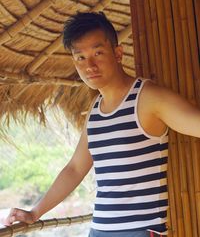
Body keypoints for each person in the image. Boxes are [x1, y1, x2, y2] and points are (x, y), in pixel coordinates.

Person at [5, 12, 200, 237]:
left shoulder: (148, 98)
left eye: (98, 53)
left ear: (117, 53)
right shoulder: (95, 110)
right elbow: (75, 169)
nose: (90, 65)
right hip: (99, 229)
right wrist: (34, 212)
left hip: (140, 231)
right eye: (80, 57)